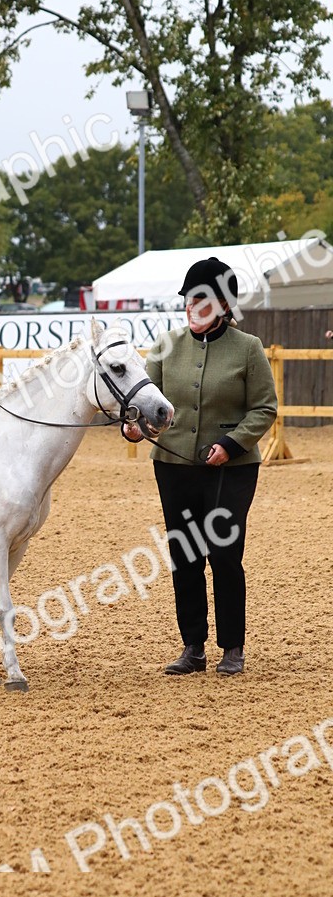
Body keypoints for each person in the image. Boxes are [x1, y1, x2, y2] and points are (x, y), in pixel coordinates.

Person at [125, 256, 277, 676]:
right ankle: (192, 647)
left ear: (225, 306)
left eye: (204, 301)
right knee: (184, 554)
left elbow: (265, 408)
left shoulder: (248, 349)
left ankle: (232, 648)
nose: (194, 308)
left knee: (225, 554)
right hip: (173, 466)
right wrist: (135, 429)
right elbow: (143, 402)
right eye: (190, 301)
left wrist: (232, 443)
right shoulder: (165, 345)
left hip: (232, 467)